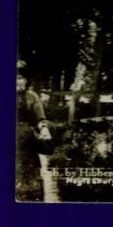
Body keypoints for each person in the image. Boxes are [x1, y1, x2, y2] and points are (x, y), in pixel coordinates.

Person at [16, 60, 53, 200]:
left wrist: (44, 129)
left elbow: (40, 118)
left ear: (26, 80)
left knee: (30, 181)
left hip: (26, 144)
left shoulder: (32, 97)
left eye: (19, 78)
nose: (16, 81)